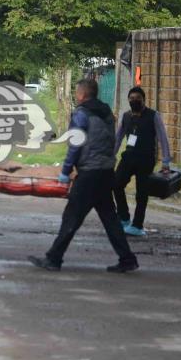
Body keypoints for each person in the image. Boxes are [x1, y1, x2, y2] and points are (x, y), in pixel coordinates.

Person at [28, 78, 139, 273]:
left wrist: (65, 171)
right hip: (106, 172)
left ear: (81, 94)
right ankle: (127, 258)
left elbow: (75, 145)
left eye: (76, 92)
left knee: (71, 216)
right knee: (110, 218)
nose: (75, 96)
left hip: (89, 174)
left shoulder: (81, 114)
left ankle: (54, 258)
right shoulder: (107, 113)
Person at [113, 87, 171, 237]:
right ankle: (124, 217)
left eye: (137, 98)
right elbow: (118, 138)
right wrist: (111, 155)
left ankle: (137, 225)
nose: (134, 101)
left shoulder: (153, 116)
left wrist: (165, 161)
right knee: (116, 184)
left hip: (146, 158)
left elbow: (162, 138)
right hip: (128, 157)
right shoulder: (126, 117)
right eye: (131, 98)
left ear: (143, 99)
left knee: (142, 193)